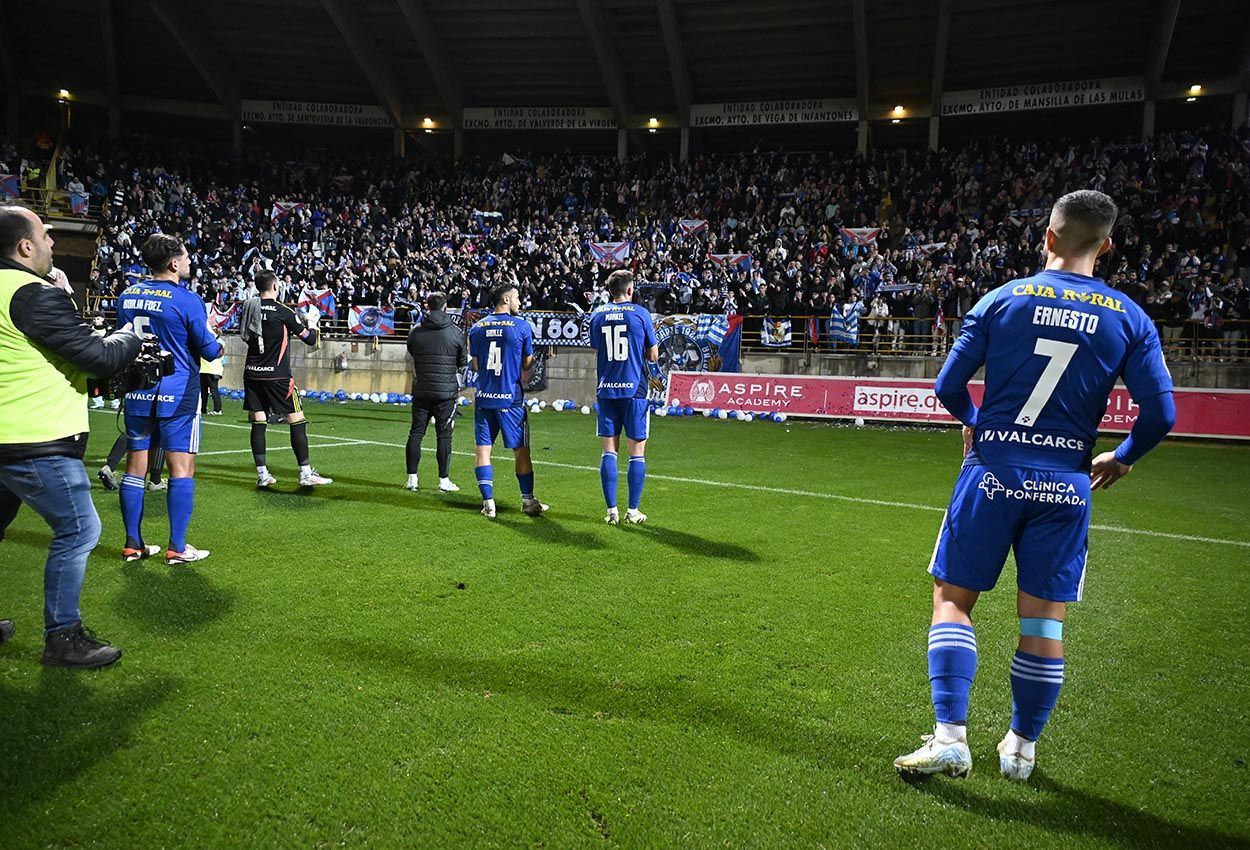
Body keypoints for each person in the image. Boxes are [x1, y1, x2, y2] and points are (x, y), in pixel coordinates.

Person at [893, 191, 1176, 782]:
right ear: (1106, 245)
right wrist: (1123, 458)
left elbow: (948, 387)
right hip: (1067, 483)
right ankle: (1020, 750)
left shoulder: (1002, 299)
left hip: (993, 473)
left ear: (1048, 237)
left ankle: (950, 738)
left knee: (953, 601)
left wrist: (976, 427)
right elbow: (1161, 415)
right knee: (1043, 621)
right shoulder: (1129, 317)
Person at [0, 204, 141, 667]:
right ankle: (63, 635)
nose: (52, 242)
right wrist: (129, 339)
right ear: (24, 246)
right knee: (80, 529)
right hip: (32, 438)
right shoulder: (28, 292)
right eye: (45, 234)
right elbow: (96, 356)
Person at [115, 234, 224, 565]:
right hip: (177, 394)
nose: (190, 262)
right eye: (187, 257)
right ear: (174, 262)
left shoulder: (128, 294)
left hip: (137, 391)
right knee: (182, 468)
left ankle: (133, 544)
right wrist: (218, 344)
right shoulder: (187, 299)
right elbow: (208, 349)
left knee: (135, 466)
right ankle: (177, 547)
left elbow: (124, 340)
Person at [240, 270, 330, 488]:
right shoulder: (283, 311)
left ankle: (262, 474)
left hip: (252, 373)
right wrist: (312, 323)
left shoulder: (249, 307)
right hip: (278, 375)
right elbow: (309, 339)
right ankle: (306, 473)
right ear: (275, 287)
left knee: (259, 422)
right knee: (297, 420)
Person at [466, 282, 549, 519]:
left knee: (483, 450)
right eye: (517, 298)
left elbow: (476, 365)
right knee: (521, 451)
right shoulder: (521, 327)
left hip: (484, 397)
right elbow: (525, 365)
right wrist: (534, 359)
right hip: (510, 399)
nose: (520, 302)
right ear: (505, 300)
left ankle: (488, 502)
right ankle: (528, 501)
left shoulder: (477, 328)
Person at [588, 270, 658, 525]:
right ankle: (633, 510)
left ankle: (611, 511)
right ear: (630, 290)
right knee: (636, 452)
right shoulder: (641, 313)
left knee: (609, 451)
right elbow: (653, 355)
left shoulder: (597, 315)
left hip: (606, 388)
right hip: (634, 389)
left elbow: (597, 345)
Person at [404, 291, 467, 492]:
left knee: (416, 433)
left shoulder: (416, 331)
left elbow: (412, 352)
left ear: (427, 306)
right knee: (444, 436)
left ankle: (412, 479)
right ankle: (443, 480)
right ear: (445, 307)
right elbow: (462, 362)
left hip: (421, 390)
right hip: (446, 393)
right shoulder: (456, 332)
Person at [201, 348, 223, 416]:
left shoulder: (219, 342)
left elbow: (218, 354)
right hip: (203, 369)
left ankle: (217, 410)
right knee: (203, 391)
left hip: (212, 370)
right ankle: (203, 409)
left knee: (213, 390)